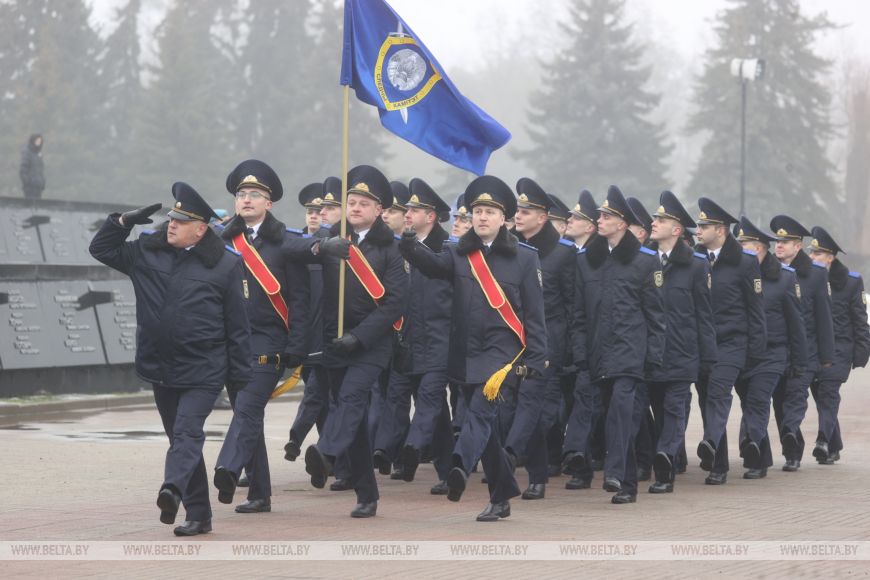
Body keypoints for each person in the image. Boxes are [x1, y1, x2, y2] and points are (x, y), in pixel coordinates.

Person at [89, 182, 252, 536]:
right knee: (179, 439)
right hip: (160, 366)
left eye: (182, 220)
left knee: (187, 433)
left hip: (204, 368)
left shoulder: (225, 265)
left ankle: (171, 489)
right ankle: (199, 515)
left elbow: (238, 327)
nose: (172, 224)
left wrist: (240, 381)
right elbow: (100, 249)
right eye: (172, 218)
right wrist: (120, 222)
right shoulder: (147, 252)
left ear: (201, 228)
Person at [400, 175, 547, 521]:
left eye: (489, 212)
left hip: (503, 356)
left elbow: (535, 313)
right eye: (477, 211)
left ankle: (459, 466)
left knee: (480, 411)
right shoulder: (457, 253)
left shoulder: (525, 259)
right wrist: (409, 246)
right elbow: (432, 265)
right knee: (490, 433)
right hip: (466, 353)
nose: (481, 217)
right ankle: (502, 495)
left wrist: (538, 360)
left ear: (504, 219)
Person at [212, 160, 348, 514]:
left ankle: (227, 468)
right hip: (230, 344)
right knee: (251, 419)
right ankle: (260, 494)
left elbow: (302, 289)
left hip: (268, 344)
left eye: (254, 195)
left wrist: (296, 349)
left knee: (246, 409)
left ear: (268, 203)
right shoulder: (222, 242)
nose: (246, 200)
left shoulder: (284, 241)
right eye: (241, 194)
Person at [303, 165, 408, 518]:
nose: (356, 208)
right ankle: (367, 494)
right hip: (334, 340)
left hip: (371, 344)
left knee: (351, 397)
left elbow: (395, 302)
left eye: (364, 203)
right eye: (352, 201)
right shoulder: (333, 240)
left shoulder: (389, 249)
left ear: (379, 211)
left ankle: (327, 454)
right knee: (354, 420)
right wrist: (322, 247)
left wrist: (360, 337)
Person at [564, 185, 666, 504]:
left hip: (629, 353)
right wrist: (581, 353)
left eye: (607, 216)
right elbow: (579, 314)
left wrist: (652, 357)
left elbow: (656, 316)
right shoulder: (586, 261)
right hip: (596, 354)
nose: (600, 219)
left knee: (621, 414)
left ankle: (616, 475)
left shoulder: (645, 262)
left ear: (622, 223)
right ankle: (618, 479)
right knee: (604, 413)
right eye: (601, 215)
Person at [376, 178, 455, 493]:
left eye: (414, 209)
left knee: (430, 400)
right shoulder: (398, 248)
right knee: (400, 400)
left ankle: (412, 450)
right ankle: (443, 468)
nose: (407, 214)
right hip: (405, 339)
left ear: (431, 216)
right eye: (406, 209)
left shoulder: (448, 248)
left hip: (438, 341)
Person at [503, 178, 576, 500]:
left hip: (547, 342)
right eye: (517, 210)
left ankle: (523, 465)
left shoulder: (563, 254)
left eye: (526, 211)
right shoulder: (508, 248)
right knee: (511, 409)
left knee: (535, 409)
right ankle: (528, 469)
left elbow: (574, 305)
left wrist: (570, 347)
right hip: (510, 339)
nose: (518, 216)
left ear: (543, 218)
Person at [645, 191, 716, 493]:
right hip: (651, 352)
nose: (654, 222)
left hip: (683, 352)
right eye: (655, 217)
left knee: (675, 408)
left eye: (661, 219)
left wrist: (708, 358)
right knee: (658, 410)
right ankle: (666, 455)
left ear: (676, 230)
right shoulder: (644, 261)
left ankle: (665, 462)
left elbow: (704, 314)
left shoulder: (696, 266)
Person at [694, 198, 766, 485]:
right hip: (703, 344)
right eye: (698, 225)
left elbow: (756, 310)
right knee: (705, 401)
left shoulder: (745, 262)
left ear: (721, 230)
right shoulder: (696, 259)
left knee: (718, 393)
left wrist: (756, 352)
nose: (698, 230)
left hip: (733, 342)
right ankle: (718, 464)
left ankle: (710, 441)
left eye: (704, 225)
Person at [733, 217, 806, 479]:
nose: (742, 251)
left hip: (773, 353)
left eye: (748, 246)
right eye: (739, 246)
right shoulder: (737, 276)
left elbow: (796, 324)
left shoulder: (784, 278)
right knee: (748, 403)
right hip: (743, 352)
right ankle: (759, 459)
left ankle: (750, 442)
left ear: (762, 248)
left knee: (758, 400)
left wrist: (799, 362)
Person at [769, 215, 834, 472]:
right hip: (778, 350)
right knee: (778, 401)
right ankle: (791, 447)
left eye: (786, 241)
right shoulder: (770, 272)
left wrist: (826, 357)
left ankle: (791, 445)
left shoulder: (816, 275)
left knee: (795, 399)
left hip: (806, 352)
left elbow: (823, 317)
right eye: (778, 241)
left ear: (798, 246)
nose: (780, 246)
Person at [807, 226, 870, 464]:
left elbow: (860, 320)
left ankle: (822, 440)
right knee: (821, 396)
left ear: (830, 258)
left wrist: (862, 352)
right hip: (815, 349)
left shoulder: (851, 282)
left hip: (840, 349)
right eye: (811, 253)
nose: (812, 257)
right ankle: (834, 445)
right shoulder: (808, 279)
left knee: (827, 393)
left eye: (817, 254)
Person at [20, 133, 45, 199]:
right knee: (29, 206)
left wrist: (42, 182)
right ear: (32, 141)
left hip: (38, 187)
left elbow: (40, 170)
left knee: (38, 206)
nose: (39, 143)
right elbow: (23, 170)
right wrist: (28, 182)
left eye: (40, 141)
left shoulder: (38, 154)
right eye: (37, 141)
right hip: (30, 188)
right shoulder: (27, 153)